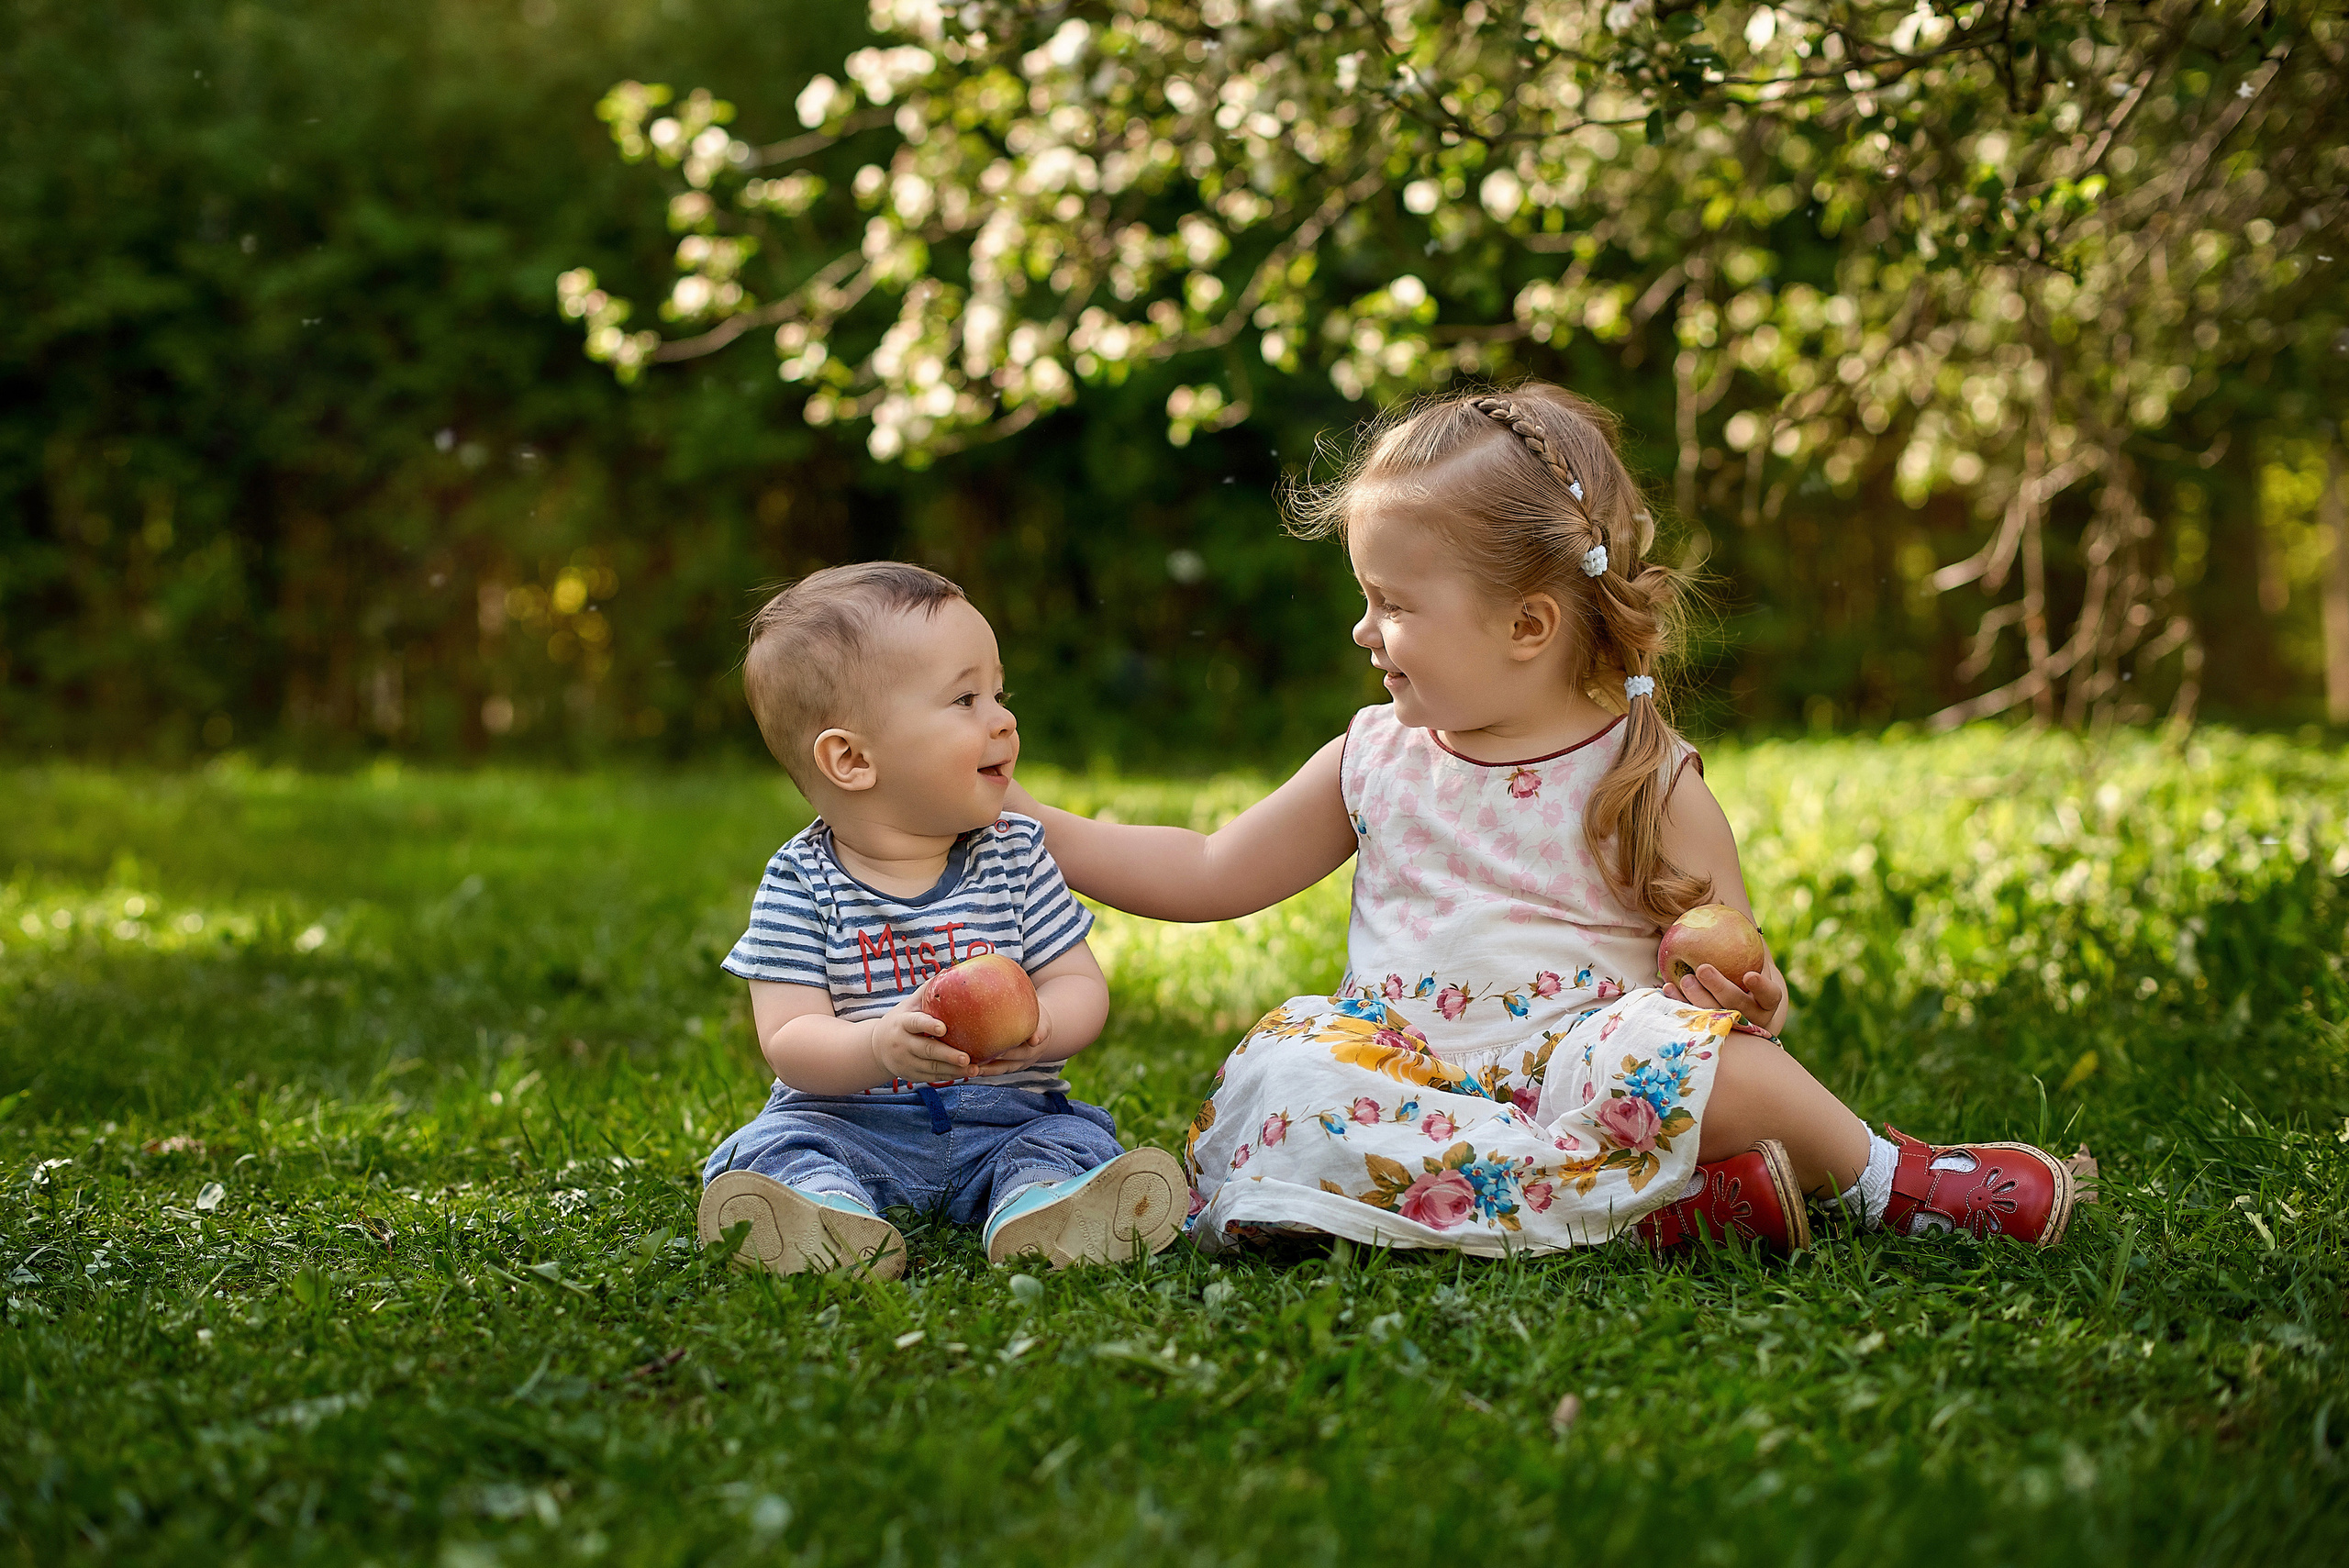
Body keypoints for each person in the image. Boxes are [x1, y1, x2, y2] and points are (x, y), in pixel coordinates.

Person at [1007, 384, 2075, 1257]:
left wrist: (1744, 989)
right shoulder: (1374, 756)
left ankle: (1898, 1182)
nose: (1362, 627)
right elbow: (1204, 870)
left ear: (1527, 624)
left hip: (1581, 1073)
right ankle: (1661, 1215)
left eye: (1392, 603)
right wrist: (1021, 817)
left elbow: (1733, 986)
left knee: (1712, 1064)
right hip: (1408, 1075)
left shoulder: (1643, 776)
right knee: (1290, 1084)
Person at [697, 562, 1185, 1279]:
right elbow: (789, 1037)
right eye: (965, 698)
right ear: (852, 759)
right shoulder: (802, 881)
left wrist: (1045, 1022)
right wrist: (877, 1048)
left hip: (1006, 1120)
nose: (1003, 718)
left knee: (1062, 1139)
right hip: (847, 1123)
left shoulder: (1017, 855)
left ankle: (1039, 1203)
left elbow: (1079, 981)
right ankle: (826, 1212)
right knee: (779, 1148)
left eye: (998, 692)